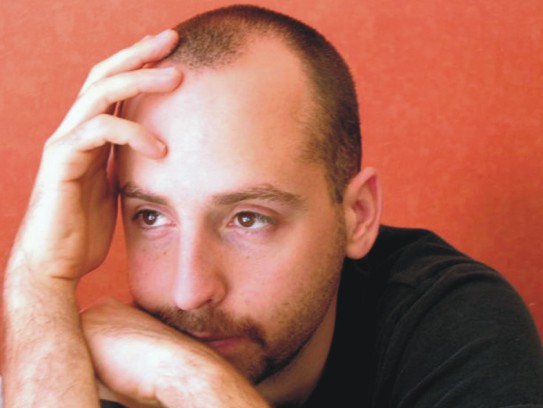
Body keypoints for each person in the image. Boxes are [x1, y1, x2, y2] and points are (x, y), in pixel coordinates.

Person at [2, 5, 542, 408]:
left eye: (248, 219)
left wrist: (195, 383)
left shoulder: (450, 325)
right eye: (152, 217)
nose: (189, 291)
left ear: (357, 216)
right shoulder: (87, 363)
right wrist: (40, 278)